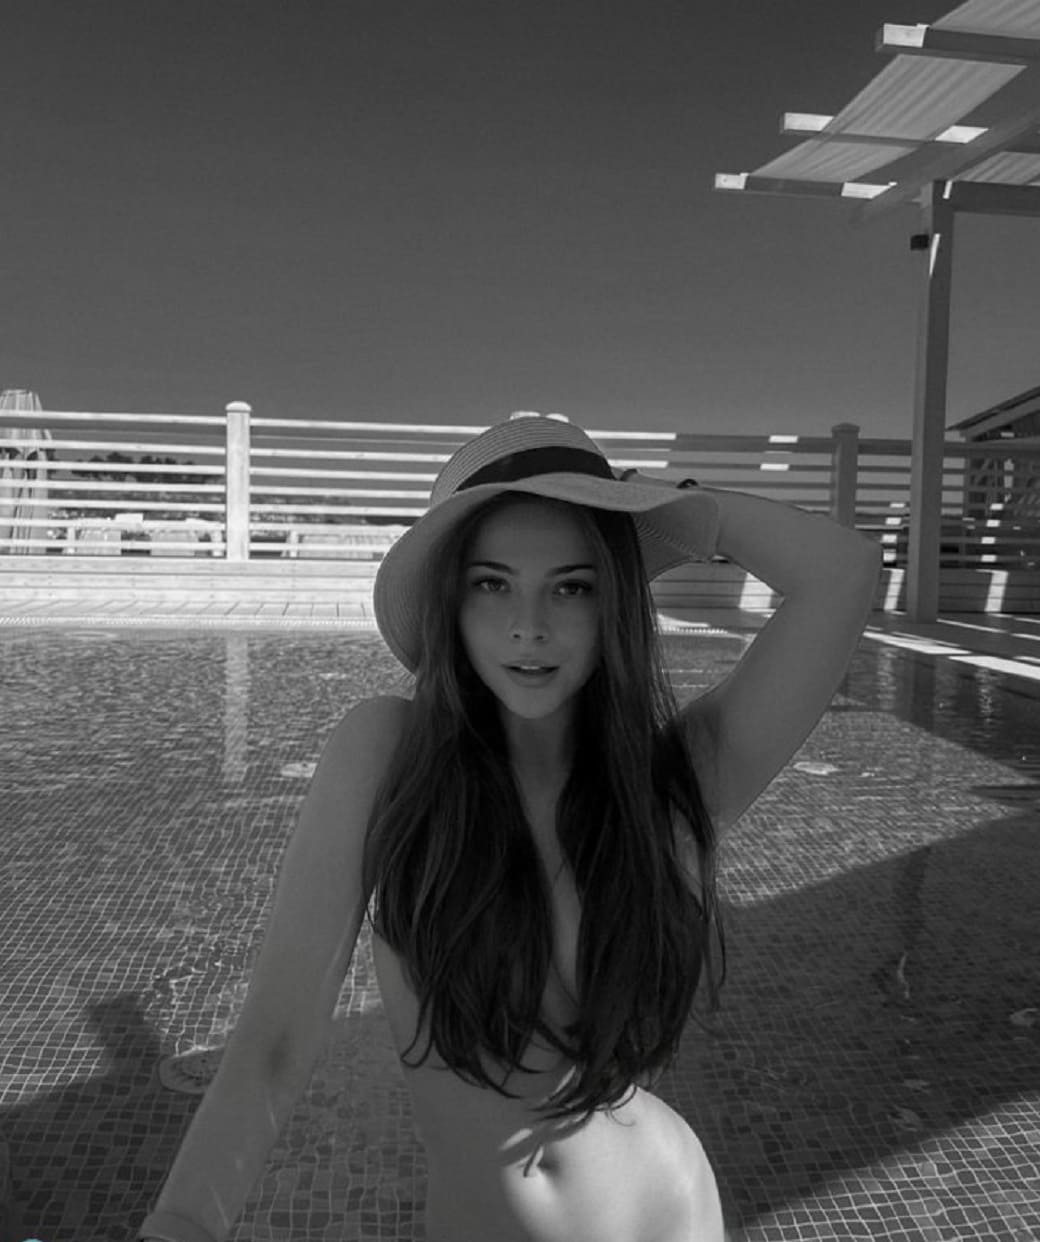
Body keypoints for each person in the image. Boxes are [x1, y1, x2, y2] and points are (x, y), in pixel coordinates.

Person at [136, 413, 881, 1242]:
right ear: (450, 602)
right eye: (493, 584)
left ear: (613, 601)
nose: (531, 625)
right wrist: (182, 1221)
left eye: (572, 586)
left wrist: (658, 504)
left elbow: (844, 571)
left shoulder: (673, 781)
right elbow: (278, 1035)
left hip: (663, 1214)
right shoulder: (387, 755)